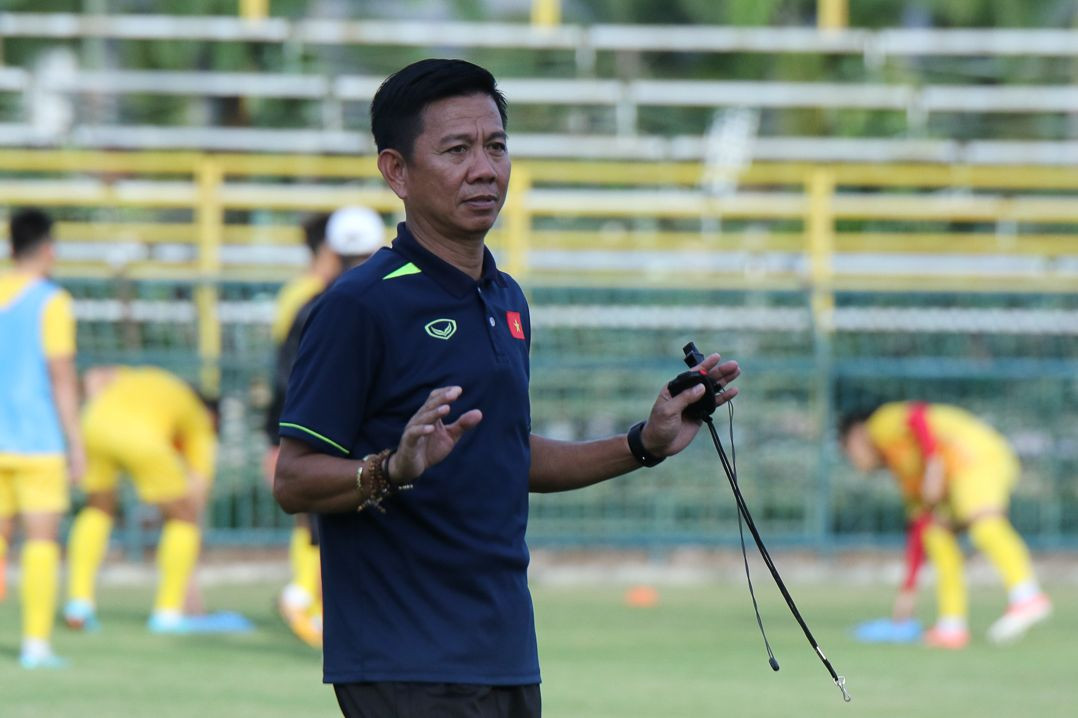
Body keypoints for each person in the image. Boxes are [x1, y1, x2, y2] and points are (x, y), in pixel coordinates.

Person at [272, 58, 741, 717]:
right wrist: (389, 469)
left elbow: (506, 454)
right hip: (406, 661)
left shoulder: (506, 298)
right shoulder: (358, 306)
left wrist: (646, 441)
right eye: (457, 149)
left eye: (496, 146)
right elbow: (292, 480)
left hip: (505, 653)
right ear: (396, 172)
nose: (485, 169)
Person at [264, 205, 385, 647]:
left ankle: (312, 604)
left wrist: (277, 437)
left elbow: (285, 376)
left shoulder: (309, 303)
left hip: (316, 436)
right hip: (364, 441)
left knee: (320, 526)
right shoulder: (391, 300)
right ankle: (318, 607)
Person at [840, 401, 1052, 649]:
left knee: (983, 523)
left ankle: (1026, 594)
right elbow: (918, 526)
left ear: (855, 436)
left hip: (973, 455)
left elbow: (917, 415)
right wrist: (908, 592)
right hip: (953, 474)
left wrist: (932, 462)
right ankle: (952, 625)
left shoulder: (879, 425)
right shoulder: (906, 468)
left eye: (847, 451)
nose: (854, 462)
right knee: (935, 532)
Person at [62, 365, 218, 634]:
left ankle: (79, 603)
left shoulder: (149, 378)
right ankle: (168, 612)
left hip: (95, 424)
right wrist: (189, 577)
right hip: (141, 437)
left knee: (98, 510)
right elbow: (198, 493)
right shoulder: (198, 418)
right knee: (184, 518)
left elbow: (94, 376)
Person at [0, 208, 85, 669]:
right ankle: (35, 644)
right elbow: (61, 376)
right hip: (36, 440)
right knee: (40, 542)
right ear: (48, 249)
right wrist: (77, 443)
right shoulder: (52, 301)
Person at [264, 212, 334, 638]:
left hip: (297, 417)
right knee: (318, 511)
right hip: (309, 418)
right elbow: (287, 366)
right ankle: (306, 597)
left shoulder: (296, 293)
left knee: (310, 514)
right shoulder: (313, 296)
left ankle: (303, 595)